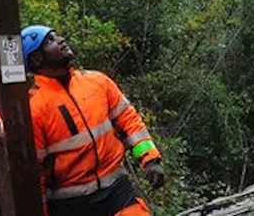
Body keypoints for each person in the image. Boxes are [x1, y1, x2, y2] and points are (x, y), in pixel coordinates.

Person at [23, 25, 166, 214]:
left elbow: (129, 120)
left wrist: (150, 160)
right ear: (37, 58)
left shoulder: (97, 82)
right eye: (50, 40)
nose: (60, 40)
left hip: (115, 187)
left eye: (56, 36)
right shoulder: (35, 107)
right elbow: (35, 170)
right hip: (69, 203)